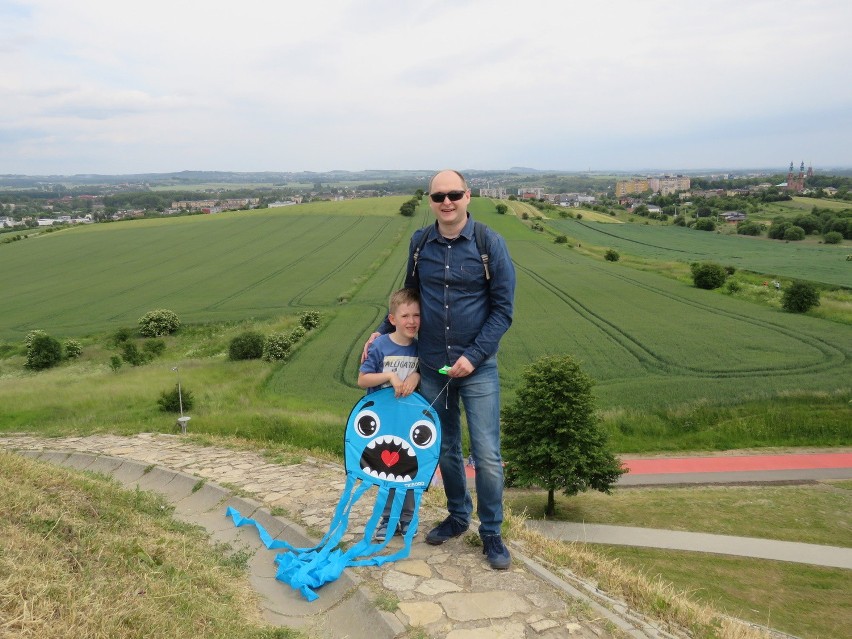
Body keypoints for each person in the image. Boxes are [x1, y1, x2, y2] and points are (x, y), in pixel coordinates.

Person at [362, 169, 516, 570]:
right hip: (432, 365)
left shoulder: (489, 243)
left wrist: (474, 355)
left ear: (468, 196)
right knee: (444, 447)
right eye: (438, 196)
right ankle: (458, 516)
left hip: (477, 367)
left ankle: (492, 532)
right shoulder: (420, 243)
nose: (446, 202)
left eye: (453, 194)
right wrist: (381, 334)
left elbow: (503, 311)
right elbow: (409, 296)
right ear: (430, 200)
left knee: (486, 453)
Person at [358, 287, 422, 541]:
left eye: (416, 315)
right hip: (383, 420)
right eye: (405, 316)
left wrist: (416, 376)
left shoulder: (418, 348)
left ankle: (407, 518)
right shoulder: (380, 345)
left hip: (407, 421)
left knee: (408, 467)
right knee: (385, 470)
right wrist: (389, 376)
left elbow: (422, 373)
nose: (411, 321)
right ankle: (387, 518)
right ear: (392, 319)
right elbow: (363, 379)